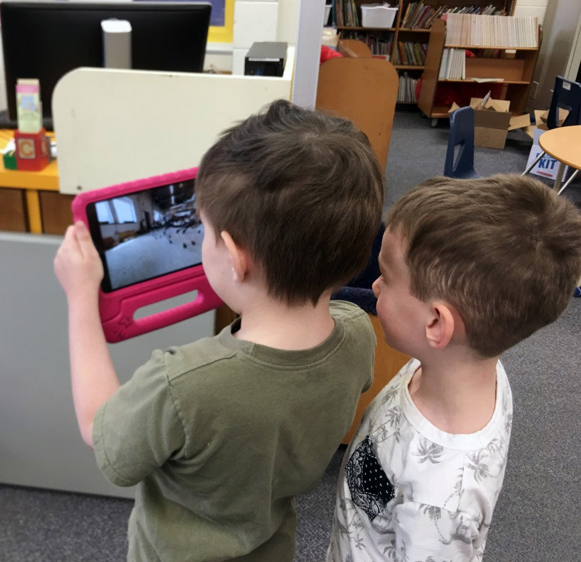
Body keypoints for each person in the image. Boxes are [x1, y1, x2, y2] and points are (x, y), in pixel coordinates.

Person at [54, 99, 384, 562]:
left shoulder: (182, 383)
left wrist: (79, 301)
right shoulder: (357, 336)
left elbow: (100, 431)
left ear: (233, 256)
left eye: (204, 230)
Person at [327, 174, 581, 562]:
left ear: (436, 325)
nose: (375, 286)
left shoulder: (442, 499)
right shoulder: (463, 362)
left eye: (387, 278)